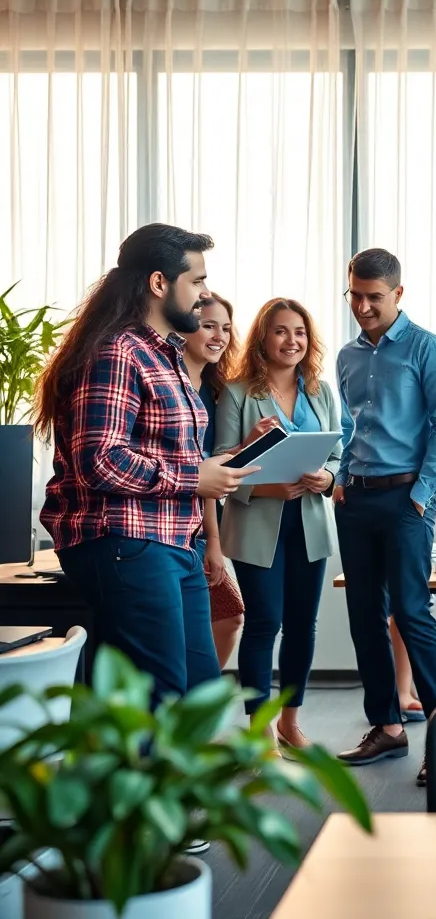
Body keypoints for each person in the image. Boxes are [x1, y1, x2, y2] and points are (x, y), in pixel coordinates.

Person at [34, 223, 259, 704]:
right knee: (159, 700)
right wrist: (195, 477)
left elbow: (165, 453)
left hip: (174, 543)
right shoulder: (117, 352)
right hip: (126, 542)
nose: (203, 295)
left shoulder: (166, 356)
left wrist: (222, 464)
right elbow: (100, 459)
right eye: (196, 281)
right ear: (159, 283)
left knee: (198, 696)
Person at [334, 248, 436, 788]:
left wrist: (422, 494)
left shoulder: (427, 349)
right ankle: (386, 725)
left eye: (374, 298)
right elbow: (348, 426)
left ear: (398, 295)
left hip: (406, 498)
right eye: (355, 296)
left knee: (412, 613)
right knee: (364, 614)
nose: (363, 307)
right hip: (356, 500)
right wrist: (339, 476)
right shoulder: (346, 356)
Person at [216, 298, 342, 749]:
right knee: (264, 623)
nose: (293, 341)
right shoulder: (235, 393)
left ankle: (290, 723)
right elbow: (219, 465)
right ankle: (258, 731)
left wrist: (327, 476)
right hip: (257, 525)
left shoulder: (321, 391)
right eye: (281, 331)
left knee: (302, 625)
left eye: (300, 332)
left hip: (309, 523)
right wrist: (264, 489)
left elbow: (338, 453)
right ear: (263, 339)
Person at [181, 293, 262, 668]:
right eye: (209, 325)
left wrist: (248, 445)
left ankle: (194, 712)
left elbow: (213, 470)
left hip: (198, 525)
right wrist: (212, 542)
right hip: (170, 527)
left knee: (229, 617)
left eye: (226, 328)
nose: (219, 336)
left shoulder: (214, 392)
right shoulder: (168, 382)